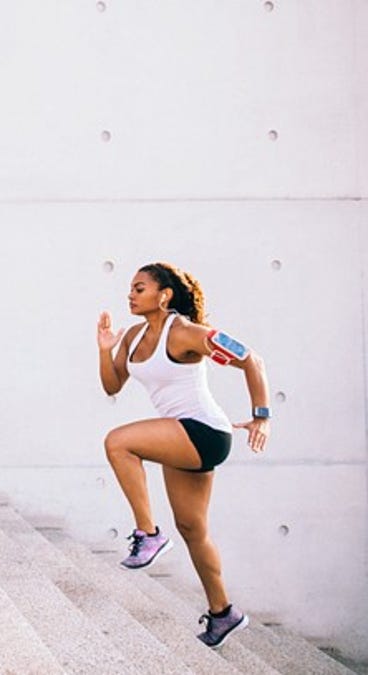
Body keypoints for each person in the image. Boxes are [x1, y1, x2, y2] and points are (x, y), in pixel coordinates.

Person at [96, 261, 271, 648]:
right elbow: (112, 386)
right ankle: (223, 612)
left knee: (118, 442)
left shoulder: (186, 333)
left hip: (205, 431)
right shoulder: (132, 338)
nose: (130, 294)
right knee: (193, 530)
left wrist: (262, 417)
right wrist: (105, 351)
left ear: (165, 295)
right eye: (130, 288)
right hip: (179, 436)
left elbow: (250, 359)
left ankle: (148, 535)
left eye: (139, 288)